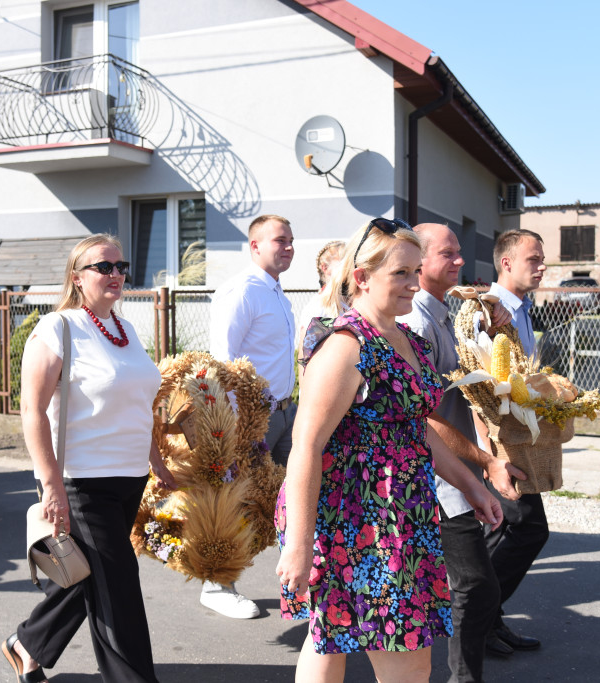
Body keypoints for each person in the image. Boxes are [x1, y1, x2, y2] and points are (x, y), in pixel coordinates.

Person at [274, 218, 501, 683]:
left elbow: (413, 430)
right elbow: (305, 446)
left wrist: (468, 485)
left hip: (401, 515)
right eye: (401, 273)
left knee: (330, 639)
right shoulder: (345, 346)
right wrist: (298, 546)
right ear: (361, 277)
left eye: (417, 271)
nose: (415, 284)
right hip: (351, 521)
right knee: (404, 657)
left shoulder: (408, 340)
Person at [1, 234, 175, 683]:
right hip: (81, 480)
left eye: (121, 266)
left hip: (129, 476)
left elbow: (138, 402)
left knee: (90, 575)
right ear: (77, 278)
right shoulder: (56, 329)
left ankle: (28, 643)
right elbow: (32, 409)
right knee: (118, 586)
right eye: (104, 266)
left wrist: (155, 459)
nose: (116, 274)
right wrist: (51, 484)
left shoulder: (126, 329)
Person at [398, 224, 527, 682]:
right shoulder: (415, 321)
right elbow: (428, 418)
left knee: (469, 585)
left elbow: (467, 392)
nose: (459, 262)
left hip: (454, 474)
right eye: (448, 254)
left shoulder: (445, 313)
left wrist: (493, 334)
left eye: (459, 253)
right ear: (419, 261)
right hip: (437, 477)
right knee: (473, 585)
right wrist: (484, 464)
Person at [205, 213, 296, 619]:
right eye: (280, 240)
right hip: (251, 418)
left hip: (283, 411)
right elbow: (222, 359)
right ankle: (217, 584)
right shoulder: (242, 290)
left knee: (286, 498)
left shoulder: (277, 292)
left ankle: (298, 583)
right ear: (255, 245)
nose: (288, 246)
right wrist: (239, 422)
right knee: (239, 500)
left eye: (291, 240)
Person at [474, 229, 549, 656]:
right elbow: (477, 387)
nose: (541, 267)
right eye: (533, 259)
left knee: (499, 531)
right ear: (506, 263)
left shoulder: (519, 309)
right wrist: (487, 455)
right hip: (498, 442)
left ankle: (485, 618)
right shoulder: (490, 310)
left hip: (518, 436)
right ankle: (478, 617)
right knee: (527, 529)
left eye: (542, 260)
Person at [297, 240, 345, 348]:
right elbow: (306, 352)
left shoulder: (351, 302)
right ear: (325, 268)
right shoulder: (318, 306)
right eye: (343, 263)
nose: (349, 268)